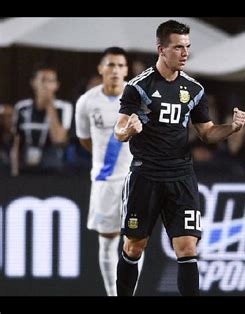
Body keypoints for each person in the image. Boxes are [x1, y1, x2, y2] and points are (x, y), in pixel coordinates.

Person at [114, 19, 245, 296]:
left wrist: (232, 129)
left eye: (187, 47)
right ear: (161, 49)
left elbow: (207, 134)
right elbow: (119, 129)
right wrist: (128, 129)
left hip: (180, 176)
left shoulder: (195, 90)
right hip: (145, 175)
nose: (185, 53)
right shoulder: (139, 87)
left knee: (187, 248)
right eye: (178, 47)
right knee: (134, 246)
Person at [75, 47, 145, 296]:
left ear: (126, 70)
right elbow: (84, 139)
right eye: (110, 65)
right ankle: (111, 294)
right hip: (105, 181)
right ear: (101, 68)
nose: (115, 70)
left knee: (135, 243)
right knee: (107, 241)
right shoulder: (86, 102)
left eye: (120, 66)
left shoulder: (138, 97)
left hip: (134, 179)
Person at [10, 64, 73, 176]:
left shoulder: (64, 107)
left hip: (53, 170)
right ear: (34, 83)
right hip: (26, 169)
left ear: (56, 85)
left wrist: (49, 105)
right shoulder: (21, 107)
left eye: (51, 81)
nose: (46, 85)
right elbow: (16, 142)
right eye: (43, 80)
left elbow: (59, 139)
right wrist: (15, 172)